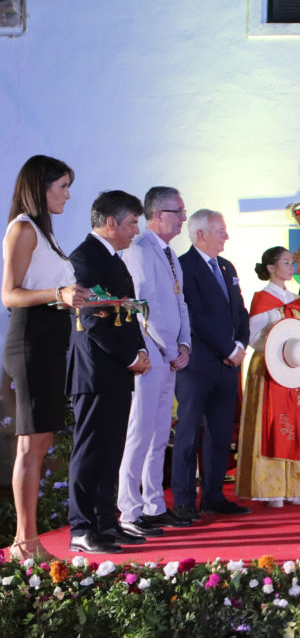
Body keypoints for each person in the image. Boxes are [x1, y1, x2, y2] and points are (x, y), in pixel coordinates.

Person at [2, 156, 90, 560]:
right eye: (62, 186)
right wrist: (59, 295)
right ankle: (26, 541)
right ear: (41, 186)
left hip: (51, 340)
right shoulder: (22, 227)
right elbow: (10, 294)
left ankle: (28, 538)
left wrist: (86, 302)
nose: (68, 195)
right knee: (30, 443)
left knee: (40, 441)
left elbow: (54, 290)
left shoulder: (43, 232)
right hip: (31, 340)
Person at [67, 190, 152, 554]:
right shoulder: (84, 258)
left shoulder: (115, 259)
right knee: (90, 450)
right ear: (111, 222)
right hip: (94, 368)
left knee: (111, 447)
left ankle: (105, 520)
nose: (136, 230)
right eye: (132, 222)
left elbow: (128, 312)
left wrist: (140, 350)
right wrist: (129, 356)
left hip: (117, 367)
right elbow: (93, 317)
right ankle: (81, 527)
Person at [116, 187, 193, 537]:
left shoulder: (170, 254)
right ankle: (129, 511)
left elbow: (180, 305)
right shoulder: (140, 248)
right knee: (141, 432)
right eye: (178, 211)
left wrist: (184, 343)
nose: (183, 218)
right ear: (158, 214)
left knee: (161, 432)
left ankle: (153, 505)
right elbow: (143, 305)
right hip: (149, 353)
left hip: (169, 354)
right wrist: (167, 347)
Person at [173, 209, 251, 520]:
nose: (226, 237)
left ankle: (214, 496)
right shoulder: (183, 266)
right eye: (221, 231)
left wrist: (241, 345)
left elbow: (240, 311)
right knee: (189, 433)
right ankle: (182, 501)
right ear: (201, 234)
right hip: (197, 365)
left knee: (220, 435)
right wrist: (227, 348)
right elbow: (193, 316)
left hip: (228, 366)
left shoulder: (227, 266)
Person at [236, 247, 300, 507]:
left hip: (295, 371)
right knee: (273, 423)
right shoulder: (262, 299)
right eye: (285, 262)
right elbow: (251, 338)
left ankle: (297, 484)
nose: (290, 266)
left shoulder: (294, 299)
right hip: (270, 369)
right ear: (271, 268)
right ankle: (271, 486)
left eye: (291, 261)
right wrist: (275, 338)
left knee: (298, 424)